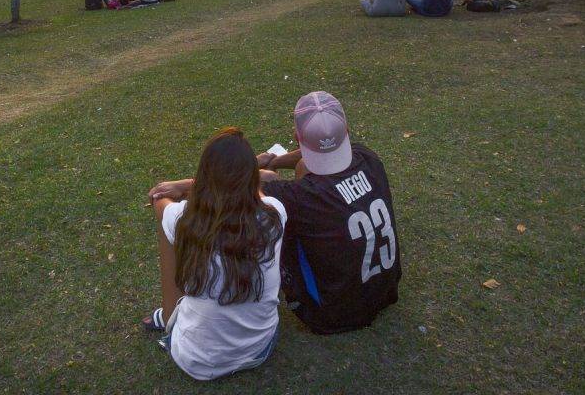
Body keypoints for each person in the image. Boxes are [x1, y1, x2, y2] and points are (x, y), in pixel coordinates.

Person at [153, 93, 401, 336]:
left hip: (329, 314)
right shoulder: (368, 157)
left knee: (270, 213)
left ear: (297, 137)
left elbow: (231, 187)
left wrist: (184, 185)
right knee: (304, 169)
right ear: (346, 132)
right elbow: (306, 155)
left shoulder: (297, 197)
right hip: (384, 291)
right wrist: (273, 161)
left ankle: (169, 315)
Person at [142, 127, 286, 380]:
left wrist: (180, 187)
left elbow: (159, 198)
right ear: (251, 178)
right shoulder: (274, 213)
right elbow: (253, 192)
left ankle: (167, 315)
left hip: (193, 359)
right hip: (258, 349)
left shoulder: (183, 218)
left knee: (167, 225)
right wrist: (258, 172)